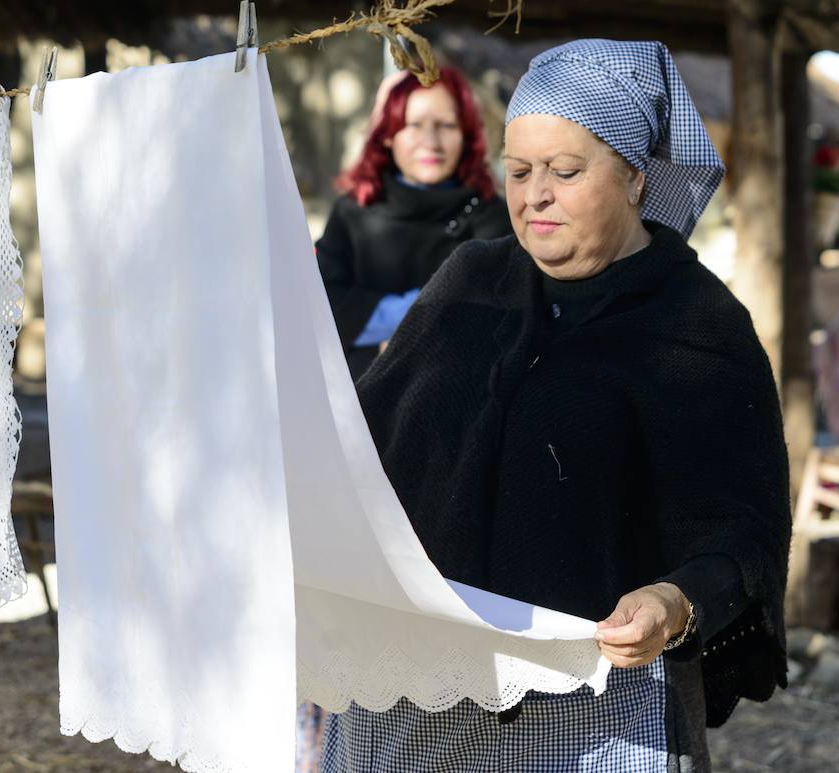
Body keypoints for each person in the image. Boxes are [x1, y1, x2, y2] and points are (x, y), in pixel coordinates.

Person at [321, 40, 793, 772]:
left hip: (597, 712)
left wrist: (674, 601)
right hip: (417, 694)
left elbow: (744, 531)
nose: (534, 194)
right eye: (519, 170)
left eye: (565, 172)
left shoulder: (698, 323)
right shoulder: (467, 283)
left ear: (635, 177)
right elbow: (361, 448)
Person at [315, 67, 511, 379]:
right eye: (414, 125)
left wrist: (389, 337)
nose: (430, 141)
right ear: (389, 135)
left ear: (466, 134)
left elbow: (487, 316)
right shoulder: (353, 212)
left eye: (446, 125)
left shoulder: (492, 217)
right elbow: (320, 307)